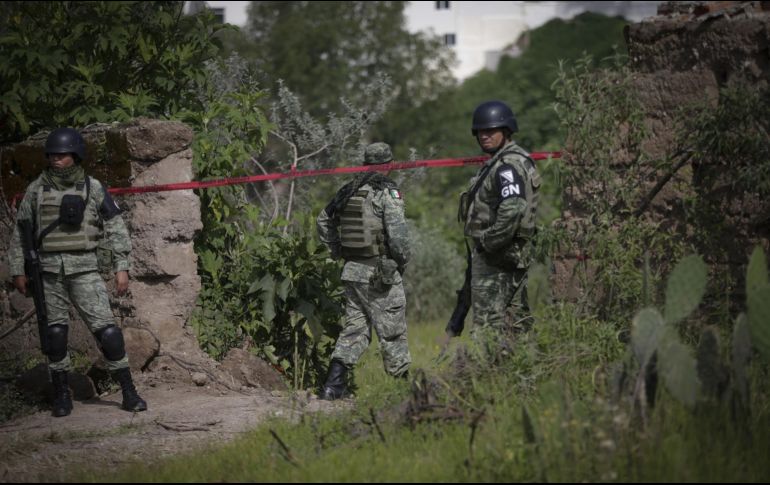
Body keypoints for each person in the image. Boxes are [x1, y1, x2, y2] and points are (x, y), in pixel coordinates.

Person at [9, 127, 147, 417]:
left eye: (62, 154)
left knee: (109, 333)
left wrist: (122, 266)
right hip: (48, 272)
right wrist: (17, 269)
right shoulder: (37, 188)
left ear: (75, 155)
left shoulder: (92, 187)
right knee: (55, 335)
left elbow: (115, 226)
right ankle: (61, 395)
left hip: (85, 270)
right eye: (52, 155)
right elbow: (21, 233)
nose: (56, 159)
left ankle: (128, 391)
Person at [316, 142, 411, 400]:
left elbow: (323, 220)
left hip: (352, 272)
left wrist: (337, 251)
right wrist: (401, 263)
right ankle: (402, 391)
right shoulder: (386, 192)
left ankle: (332, 387)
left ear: (365, 163)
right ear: (389, 165)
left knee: (354, 330)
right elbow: (399, 238)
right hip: (379, 274)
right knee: (392, 332)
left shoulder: (349, 190)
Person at [450, 100, 541, 349]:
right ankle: (522, 377)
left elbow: (513, 210)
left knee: (488, 329)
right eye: (481, 131)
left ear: (506, 130)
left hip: (497, 258)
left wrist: (488, 243)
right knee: (516, 324)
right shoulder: (508, 161)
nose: (485, 136)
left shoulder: (507, 166)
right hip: (509, 254)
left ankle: (488, 377)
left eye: (492, 130)